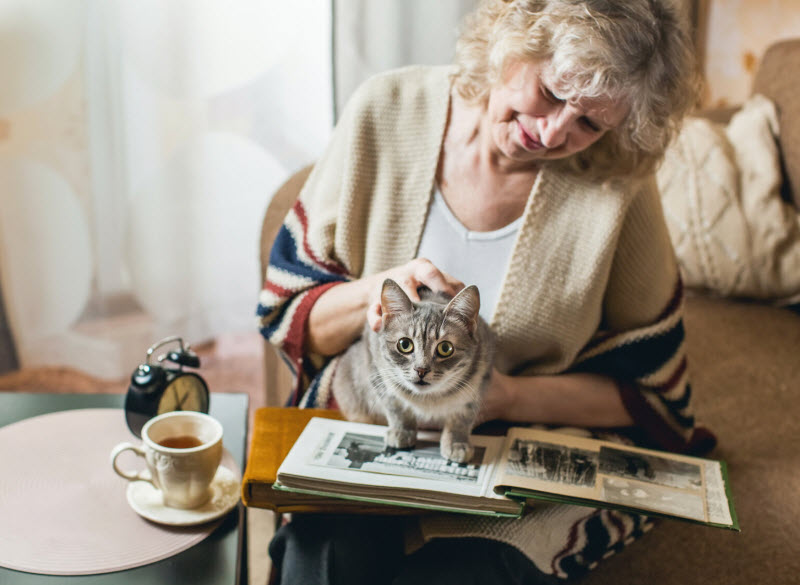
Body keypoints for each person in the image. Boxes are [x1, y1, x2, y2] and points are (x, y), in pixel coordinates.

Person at [257, 0, 715, 583]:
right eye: (550, 93)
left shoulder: (616, 180)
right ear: (514, 38)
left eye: (590, 123)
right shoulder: (386, 110)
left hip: (516, 454)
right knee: (324, 561)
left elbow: (654, 394)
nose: (552, 132)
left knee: (464, 573)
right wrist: (376, 290)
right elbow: (290, 313)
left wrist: (504, 397)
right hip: (376, 427)